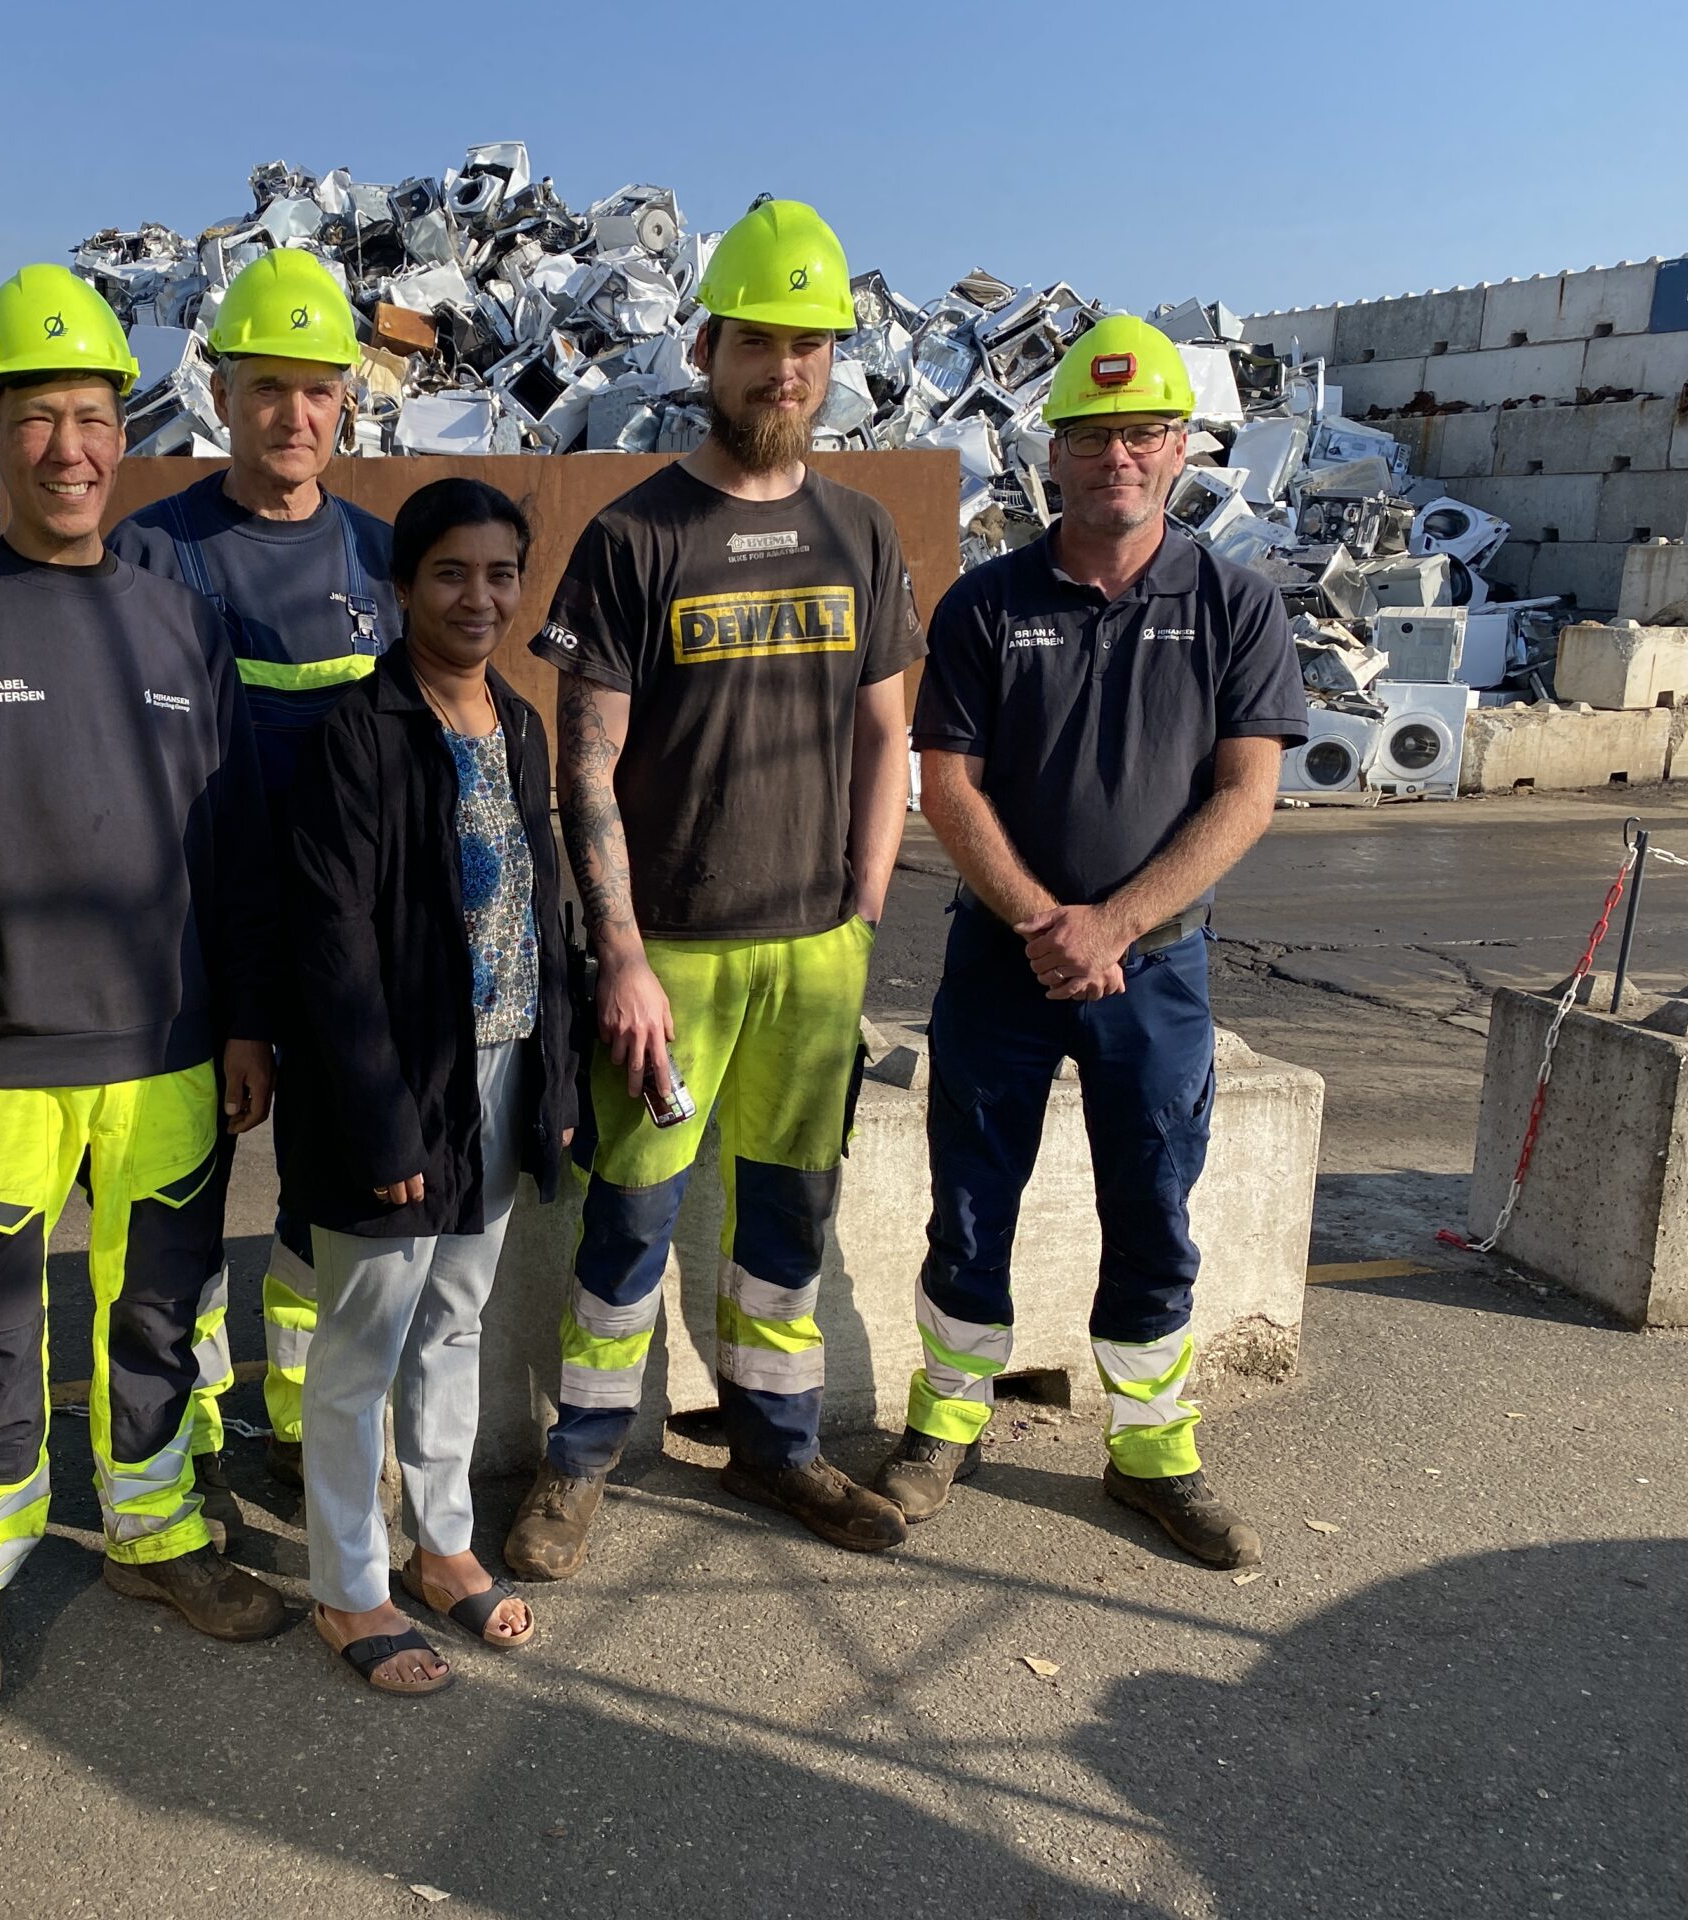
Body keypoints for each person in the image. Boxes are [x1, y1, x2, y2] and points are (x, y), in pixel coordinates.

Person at [0, 263, 290, 1723]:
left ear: (129, 432)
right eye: (38, 418)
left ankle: (156, 1538)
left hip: (169, 1053)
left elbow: (226, 846)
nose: (70, 449)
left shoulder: (178, 624)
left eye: (96, 417)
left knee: (164, 1320)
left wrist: (242, 1017)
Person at [505, 198, 924, 1583]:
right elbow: (589, 765)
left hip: (814, 956)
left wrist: (864, 910)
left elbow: (884, 736)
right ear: (707, 348)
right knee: (628, 1215)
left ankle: (778, 1441)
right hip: (671, 953)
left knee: (788, 1217)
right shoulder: (636, 539)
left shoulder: (860, 535)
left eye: (810, 349)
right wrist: (617, 955)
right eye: (761, 343)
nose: (785, 371)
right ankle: (577, 1464)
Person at [878, 315, 1308, 1569]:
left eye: (1142, 433)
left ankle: (1152, 1455)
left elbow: (1246, 795)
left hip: (1155, 969)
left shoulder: (1232, 604)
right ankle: (942, 1428)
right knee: (967, 1203)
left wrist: (1111, 926)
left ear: (1180, 450)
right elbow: (945, 784)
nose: (1116, 456)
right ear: (1050, 457)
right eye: (1091, 436)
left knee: (1155, 1208)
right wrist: (1040, 923)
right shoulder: (983, 603)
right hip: (998, 964)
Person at [281, 479, 579, 1694]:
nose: (479, 597)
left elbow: (540, 912)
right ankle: (347, 1588)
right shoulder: (356, 734)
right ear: (399, 589)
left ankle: (442, 1544)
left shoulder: (518, 721)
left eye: (501, 573)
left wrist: (552, 1077)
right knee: (361, 1348)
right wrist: (377, 1111)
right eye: (451, 573)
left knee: (453, 1319)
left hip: (501, 1069)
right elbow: (331, 941)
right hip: (397, 1083)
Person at [109, 245, 401, 1484]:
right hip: (194, 953)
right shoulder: (154, 551)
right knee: (179, 1215)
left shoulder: (384, 559)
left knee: (320, 1202)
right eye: (266, 384)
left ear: (348, 400)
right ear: (218, 392)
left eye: (318, 388)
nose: (294, 413)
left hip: (345, 953)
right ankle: (192, 1437)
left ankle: (296, 1411)